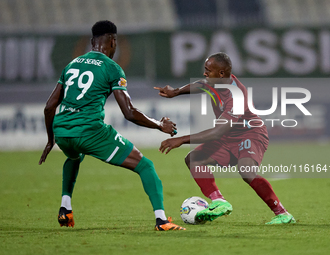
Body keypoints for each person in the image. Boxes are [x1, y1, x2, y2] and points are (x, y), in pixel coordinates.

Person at [39, 20, 185, 231]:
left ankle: (65, 208)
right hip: (90, 131)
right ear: (113, 42)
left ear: (92, 42)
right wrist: (159, 124)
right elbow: (129, 112)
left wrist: (51, 139)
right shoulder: (112, 68)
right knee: (145, 166)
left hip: (61, 131)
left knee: (74, 156)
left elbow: (49, 106)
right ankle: (162, 220)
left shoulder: (72, 64)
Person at [155, 52, 295, 224]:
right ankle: (219, 201)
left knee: (246, 171)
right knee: (194, 159)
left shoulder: (236, 96)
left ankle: (283, 214)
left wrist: (182, 139)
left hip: (250, 133)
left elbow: (217, 132)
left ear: (221, 73)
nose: (205, 73)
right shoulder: (215, 82)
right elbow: (200, 85)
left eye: (208, 70)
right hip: (229, 136)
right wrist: (175, 92)